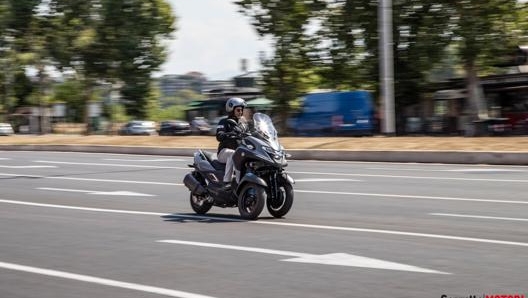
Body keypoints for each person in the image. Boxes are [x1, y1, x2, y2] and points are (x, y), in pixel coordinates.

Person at [216, 97, 248, 189]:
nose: (240, 112)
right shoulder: (224, 122)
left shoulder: (243, 124)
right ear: (231, 109)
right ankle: (227, 182)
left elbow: (250, 134)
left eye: (241, 110)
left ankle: (242, 183)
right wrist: (227, 134)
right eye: (238, 110)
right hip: (224, 153)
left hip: (240, 152)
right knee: (233, 154)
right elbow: (219, 135)